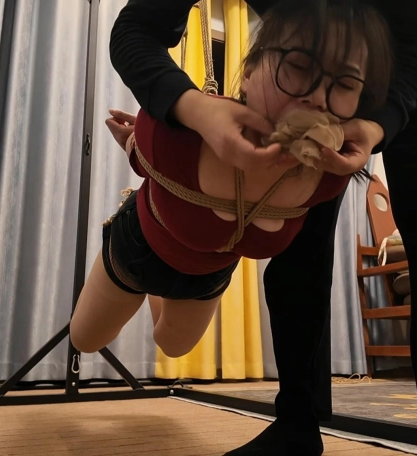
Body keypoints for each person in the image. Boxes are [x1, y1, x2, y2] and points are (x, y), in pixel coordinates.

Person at [109, 1, 417, 456]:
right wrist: (194, 109)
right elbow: (135, 29)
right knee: (297, 238)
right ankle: (296, 423)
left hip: (415, 63)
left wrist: (379, 122)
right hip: (302, 54)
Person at [69, 0, 393, 362]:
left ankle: (161, 293)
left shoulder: (332, 176)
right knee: (85, 339)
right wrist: (136, 140)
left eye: (345, 83)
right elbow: (147, 156)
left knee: (174, 347)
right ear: (249, 72)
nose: (318, 98)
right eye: (299, 66)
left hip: (208, 277)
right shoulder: (179, 129)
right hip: (137, 251)